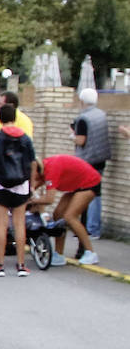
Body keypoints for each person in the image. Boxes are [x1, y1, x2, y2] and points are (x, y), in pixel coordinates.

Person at [0, 103, 37, 277]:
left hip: (0, 185)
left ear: (0, 118)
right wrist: (32, 184)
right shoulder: (26, 138)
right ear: (15, 118)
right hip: (21, 185)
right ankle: (21, 265)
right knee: (19, 225)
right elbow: (33, 163)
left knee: (2, 225)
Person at [34, 155, 101, 266]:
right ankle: (58, 254)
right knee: (58, 215)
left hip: (89, 183)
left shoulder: (51, 169)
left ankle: (91, 253)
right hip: (76, 185)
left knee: (70, 217)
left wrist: (31, 201)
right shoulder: (42, 170)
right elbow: (32, 187)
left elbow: (49, 199)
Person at [70, 88, 110, 240]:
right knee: (96, 194)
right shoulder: (101, 115)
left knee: (87, 194)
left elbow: (81, 140)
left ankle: (90, 229)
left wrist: (71, 136)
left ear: (81, 101)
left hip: (87, 160)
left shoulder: (83, 118)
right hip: (101, 159)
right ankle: (91, 227)